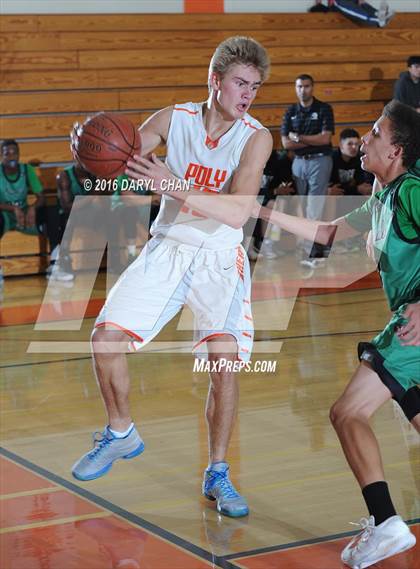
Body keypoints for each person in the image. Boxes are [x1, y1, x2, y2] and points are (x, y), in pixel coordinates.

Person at [70, 36, 273, 519]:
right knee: (104, 339)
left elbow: (239, 212)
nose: (248, 94)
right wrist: (89, 145)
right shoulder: (172, 119)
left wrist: (173, 185)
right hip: (168, 249)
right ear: (215, 80)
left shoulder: (256, 136)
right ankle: (121, 433)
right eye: (241, 83)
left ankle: (218, 472)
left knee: (223, 368)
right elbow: (121, 156)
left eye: (256, 86)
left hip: (220, 261)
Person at [254, 99, 419, 568]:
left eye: (375, 133)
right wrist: (265, 212)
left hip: (415, 325)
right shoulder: (384, 197)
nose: (364, 139)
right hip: (408, 321)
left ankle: (387, 524)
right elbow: (326, 231)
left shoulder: (412, 191)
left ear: (396, 152)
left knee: (348, 413)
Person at [281, 73, 335, 268]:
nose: (303, 90)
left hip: (319, 160)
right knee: (304, 206)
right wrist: (307, 139)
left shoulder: (324, 109)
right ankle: (316, 245)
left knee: (314, 205)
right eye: (299, 86)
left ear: (313, 87)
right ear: (295, 88)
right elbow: (286, 143)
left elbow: (325, 139)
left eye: (306, 86)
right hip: (298, 162)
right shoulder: (290, 111)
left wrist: (299, 138)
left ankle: (312, 250)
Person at [0, 139, 61, 285]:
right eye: (7, 153)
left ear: (19, 155)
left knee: (53, 213)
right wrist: (13, 208)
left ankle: (55, 264)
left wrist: (32, 208)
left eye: (15, 153)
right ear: (1, 156)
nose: (12, 156)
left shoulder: (26, 170)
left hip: (25, 217)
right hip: (5, 216)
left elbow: (41, 197)